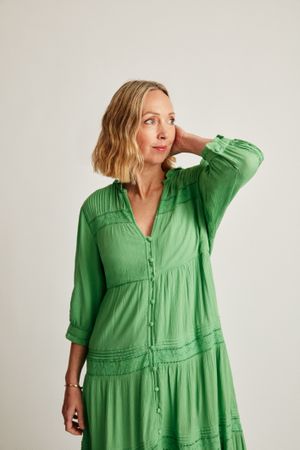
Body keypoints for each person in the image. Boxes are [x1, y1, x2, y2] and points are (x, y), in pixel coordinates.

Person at [61, 80, 264, 450]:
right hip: (117, 379)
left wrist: (187, 141)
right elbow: (86, 306)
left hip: (189, 373)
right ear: (124, 128)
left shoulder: (196, 190)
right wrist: (73, 385)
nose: (164, 130)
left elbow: (248, 159)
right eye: (150, 121)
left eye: (170, 119)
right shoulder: (96, 211)